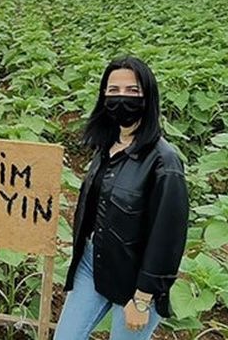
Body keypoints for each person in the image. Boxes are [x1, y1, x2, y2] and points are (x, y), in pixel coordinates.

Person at [54, 56, 189, 340]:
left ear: (147, 96)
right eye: (113, 91)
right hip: (93, 261)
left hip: (138, 277)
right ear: (103, 95)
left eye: (132, 91)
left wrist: (143, 298)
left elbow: (168, 238)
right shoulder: (107, 146)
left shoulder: (164, 162)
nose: (121, 99)